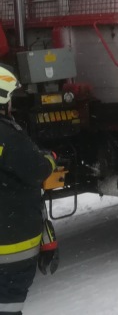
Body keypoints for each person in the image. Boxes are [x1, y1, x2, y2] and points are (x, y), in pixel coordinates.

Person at [0, 67, 57, 315]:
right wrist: (50, 159)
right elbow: (37, 170)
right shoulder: (8, 137)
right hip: (10, 247)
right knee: (9, 305)